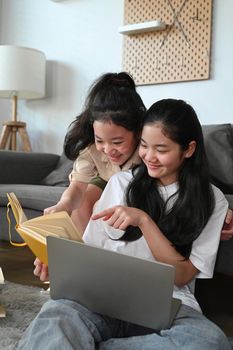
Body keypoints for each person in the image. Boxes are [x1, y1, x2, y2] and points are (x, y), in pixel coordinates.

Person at [18, 99, 231, 350]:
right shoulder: (121, 183)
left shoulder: (210, 199)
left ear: (189, 149)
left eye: (161, 149)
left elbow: (183, 275)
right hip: (102, 300)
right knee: (56, 315)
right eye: (143, 145)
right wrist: (59, 267)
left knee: (209, 341)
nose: (149, 157)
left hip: (167, 307)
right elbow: (90, 252)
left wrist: (143, 220)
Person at [44, 71, 146, 233]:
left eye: (117, 142)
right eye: (100, 140)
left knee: (103, 205)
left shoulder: (147, 146)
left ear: (138, 132)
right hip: (105, 180)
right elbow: (77, 188)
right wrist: (63, 205)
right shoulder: (90, 147)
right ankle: (86, 249)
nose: (108, 149)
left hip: (138, 186)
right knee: (80, 204)